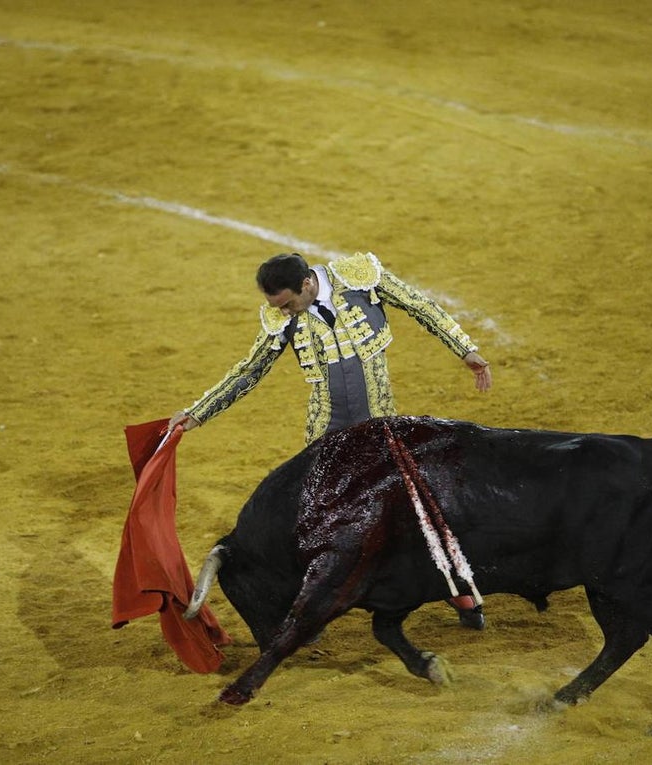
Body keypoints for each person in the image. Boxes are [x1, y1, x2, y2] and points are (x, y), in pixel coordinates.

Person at [168, 251, 492, 629]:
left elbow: (420, 305)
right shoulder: (281, 317)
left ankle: (458, 591)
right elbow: (249, 370)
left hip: (378, 426)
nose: (284, 312)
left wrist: (464, 348)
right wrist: (197, 413)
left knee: (411, 509)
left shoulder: (360, 278)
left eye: (288, 303)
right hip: (326, 433)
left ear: (306, 283)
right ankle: (307, 609)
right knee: (313, 522)